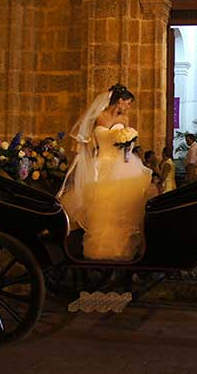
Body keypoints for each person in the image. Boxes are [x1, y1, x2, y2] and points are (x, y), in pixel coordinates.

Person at [57, 84, 155, 261]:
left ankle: (121, 250)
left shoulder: (124, 120)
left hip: (122, 166)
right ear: (120, 101)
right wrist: (83, 155)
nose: (129, 107)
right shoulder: (98, 117)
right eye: (128, 103)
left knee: (121, 209)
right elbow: (88, 142)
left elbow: (128, 149)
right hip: (100, 165)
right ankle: (100, 250)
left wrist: (127, 146)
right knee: (100, 209)